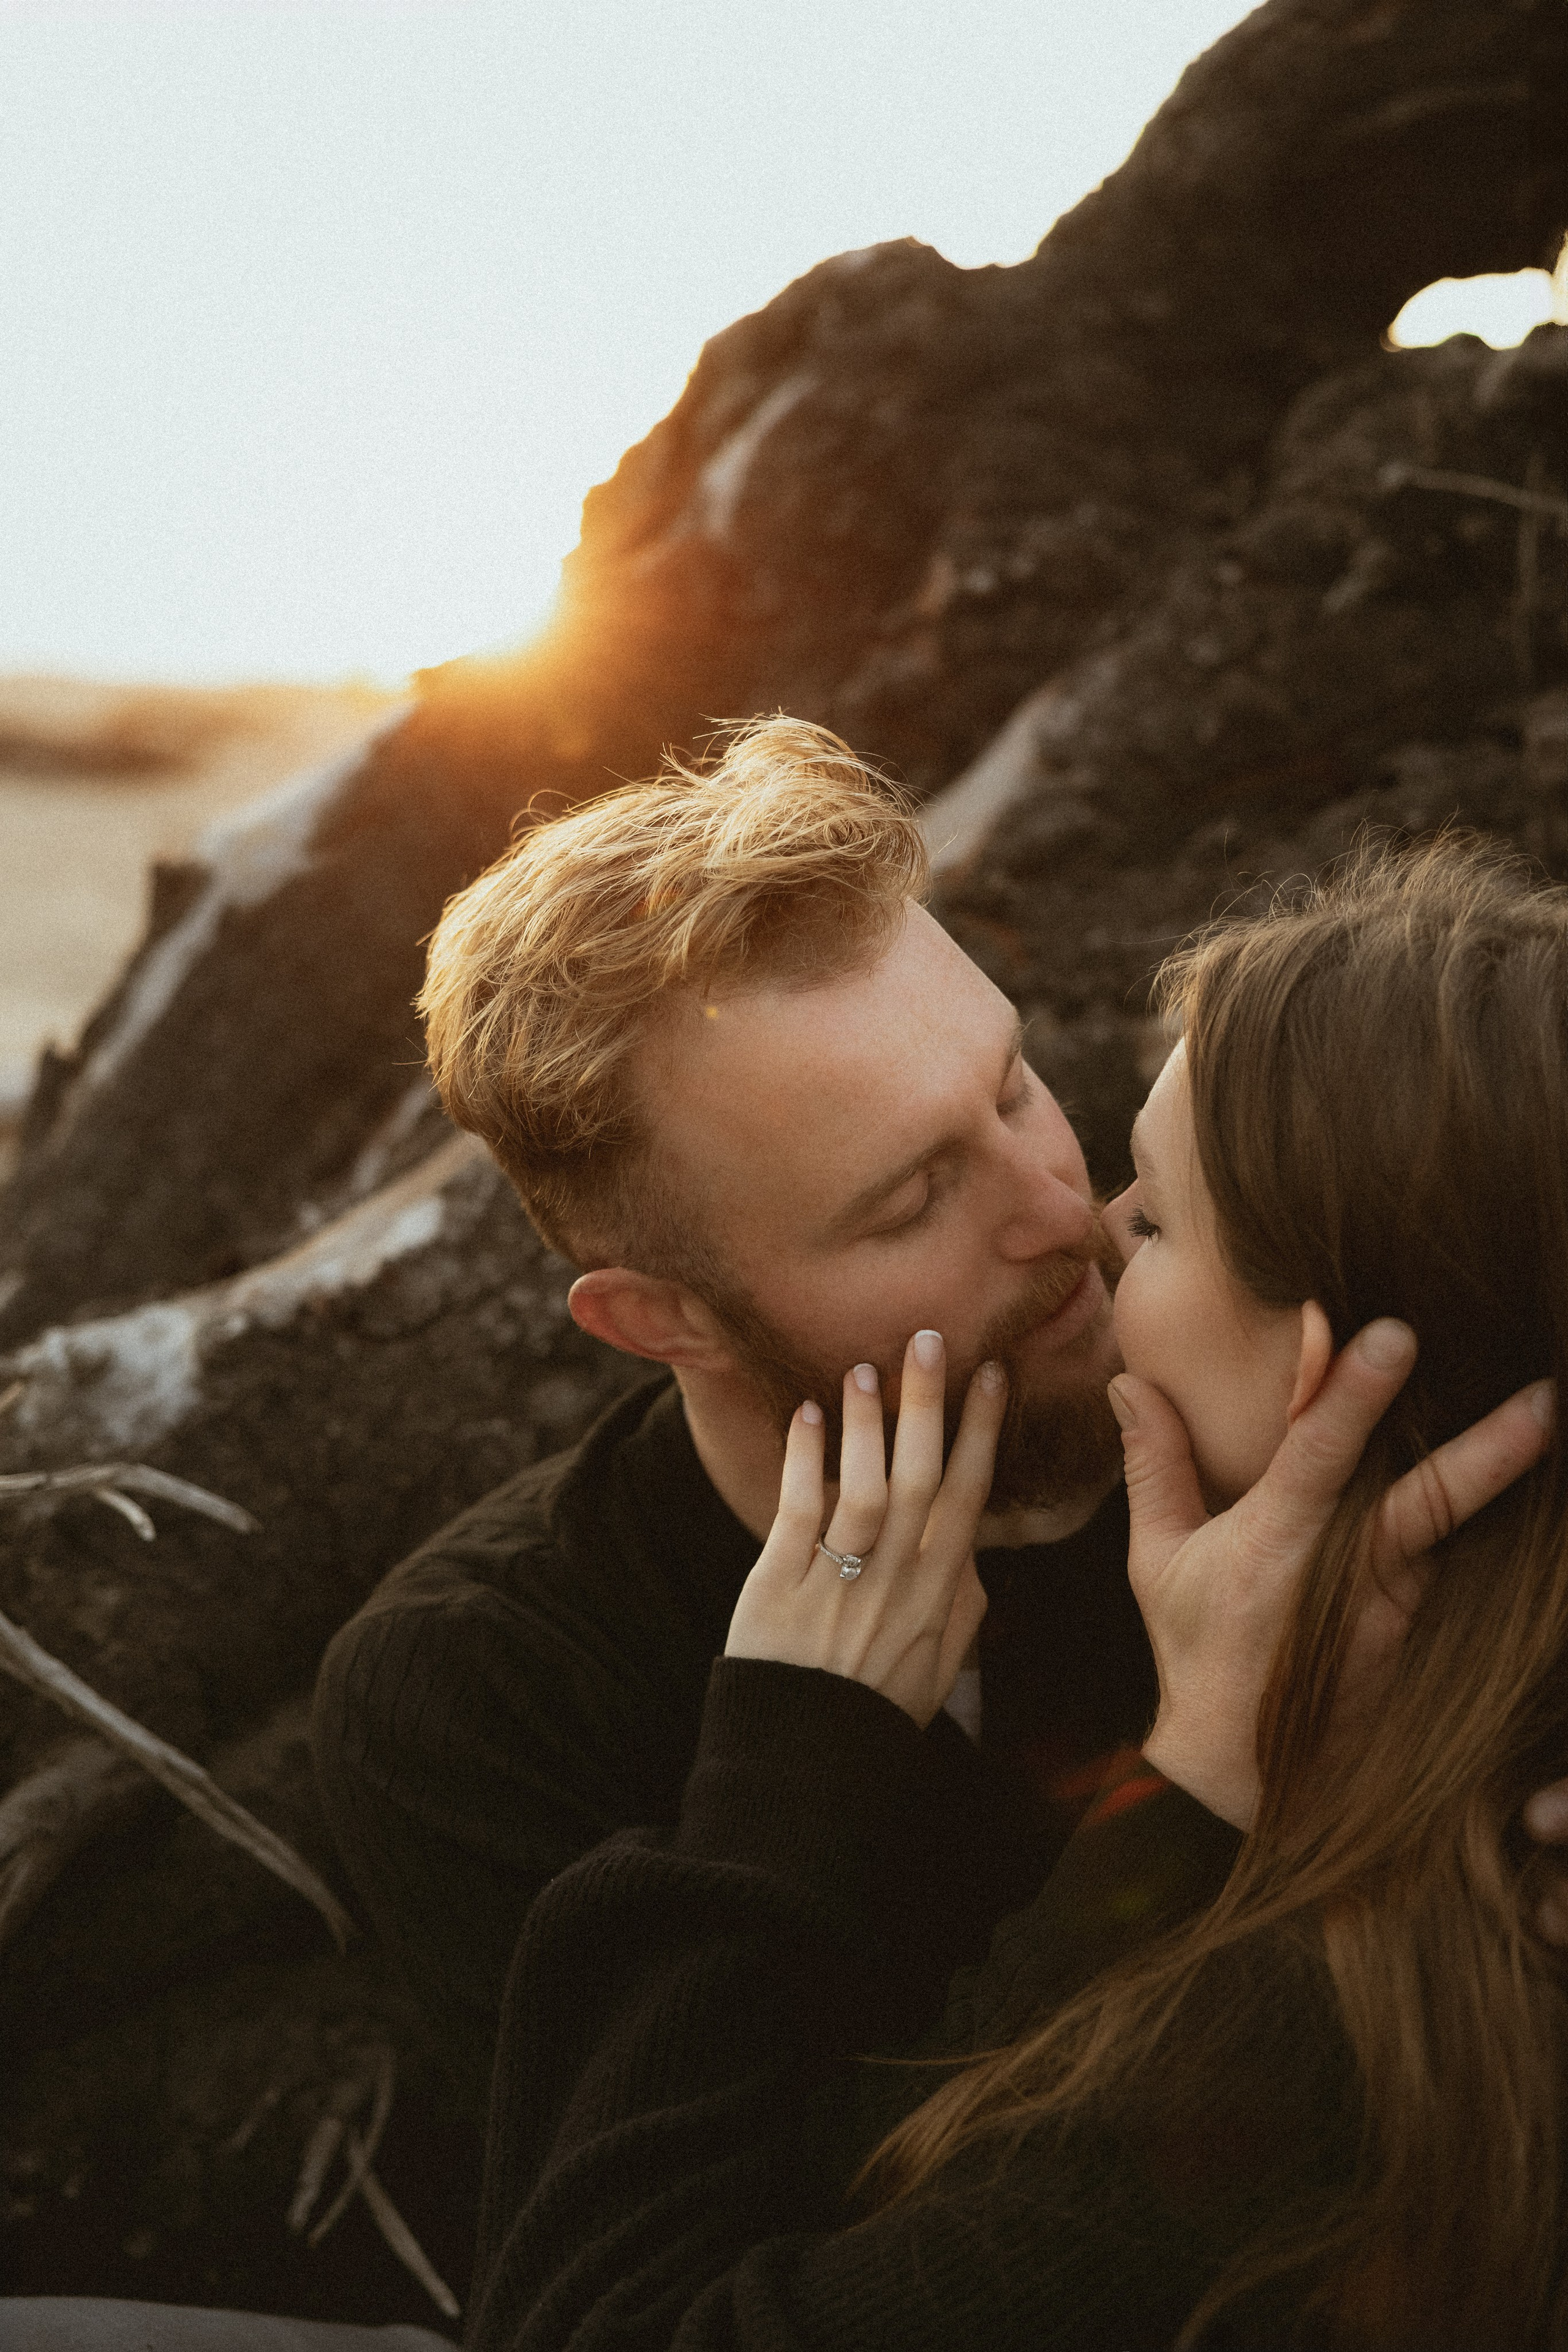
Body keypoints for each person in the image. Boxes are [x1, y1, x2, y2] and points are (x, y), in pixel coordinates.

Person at [309, 722, 1550, 2139]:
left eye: (1013, 1087)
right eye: (908, 1203)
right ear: (665, 1322)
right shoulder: (490, 1696)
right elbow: (697, 2270)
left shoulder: (1267, 1411)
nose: (1063, 1215)